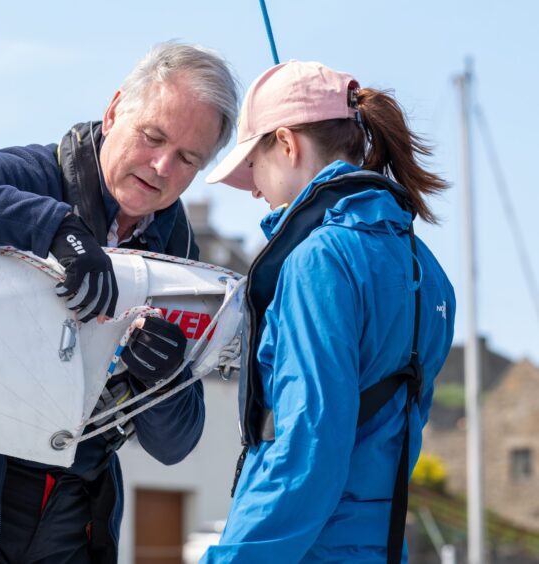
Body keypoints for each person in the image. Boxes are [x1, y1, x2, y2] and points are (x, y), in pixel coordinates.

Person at [0, 41, 238, 564]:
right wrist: (54, 227)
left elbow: (176, 445)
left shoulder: (180, 257)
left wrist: (167, 378)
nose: (160, 165)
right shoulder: (41, 175)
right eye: (153, 136)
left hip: (72, 519)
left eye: (187, 158)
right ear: (113, 112)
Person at [202, 61, 456, 563]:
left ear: (287, 144)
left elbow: (307, 445)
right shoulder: (427, 269)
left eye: (254, 165)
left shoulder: (320, 259)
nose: (253, 188)